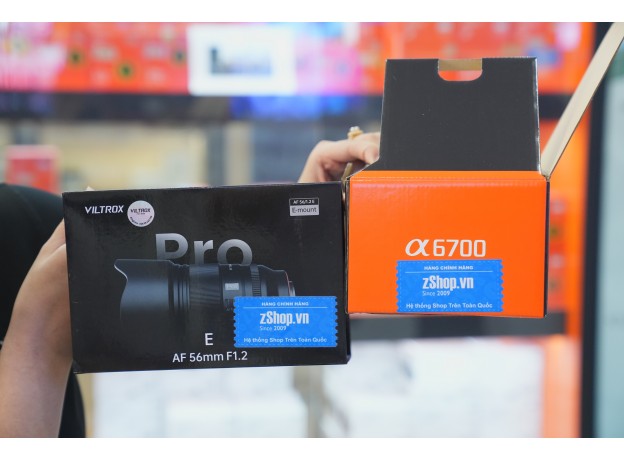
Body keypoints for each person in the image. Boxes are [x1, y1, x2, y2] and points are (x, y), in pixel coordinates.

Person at [0, 131, 380, 438]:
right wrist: (37, 341)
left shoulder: (25, 221)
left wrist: (307, 228)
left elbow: (207, 299)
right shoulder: (28, 225)